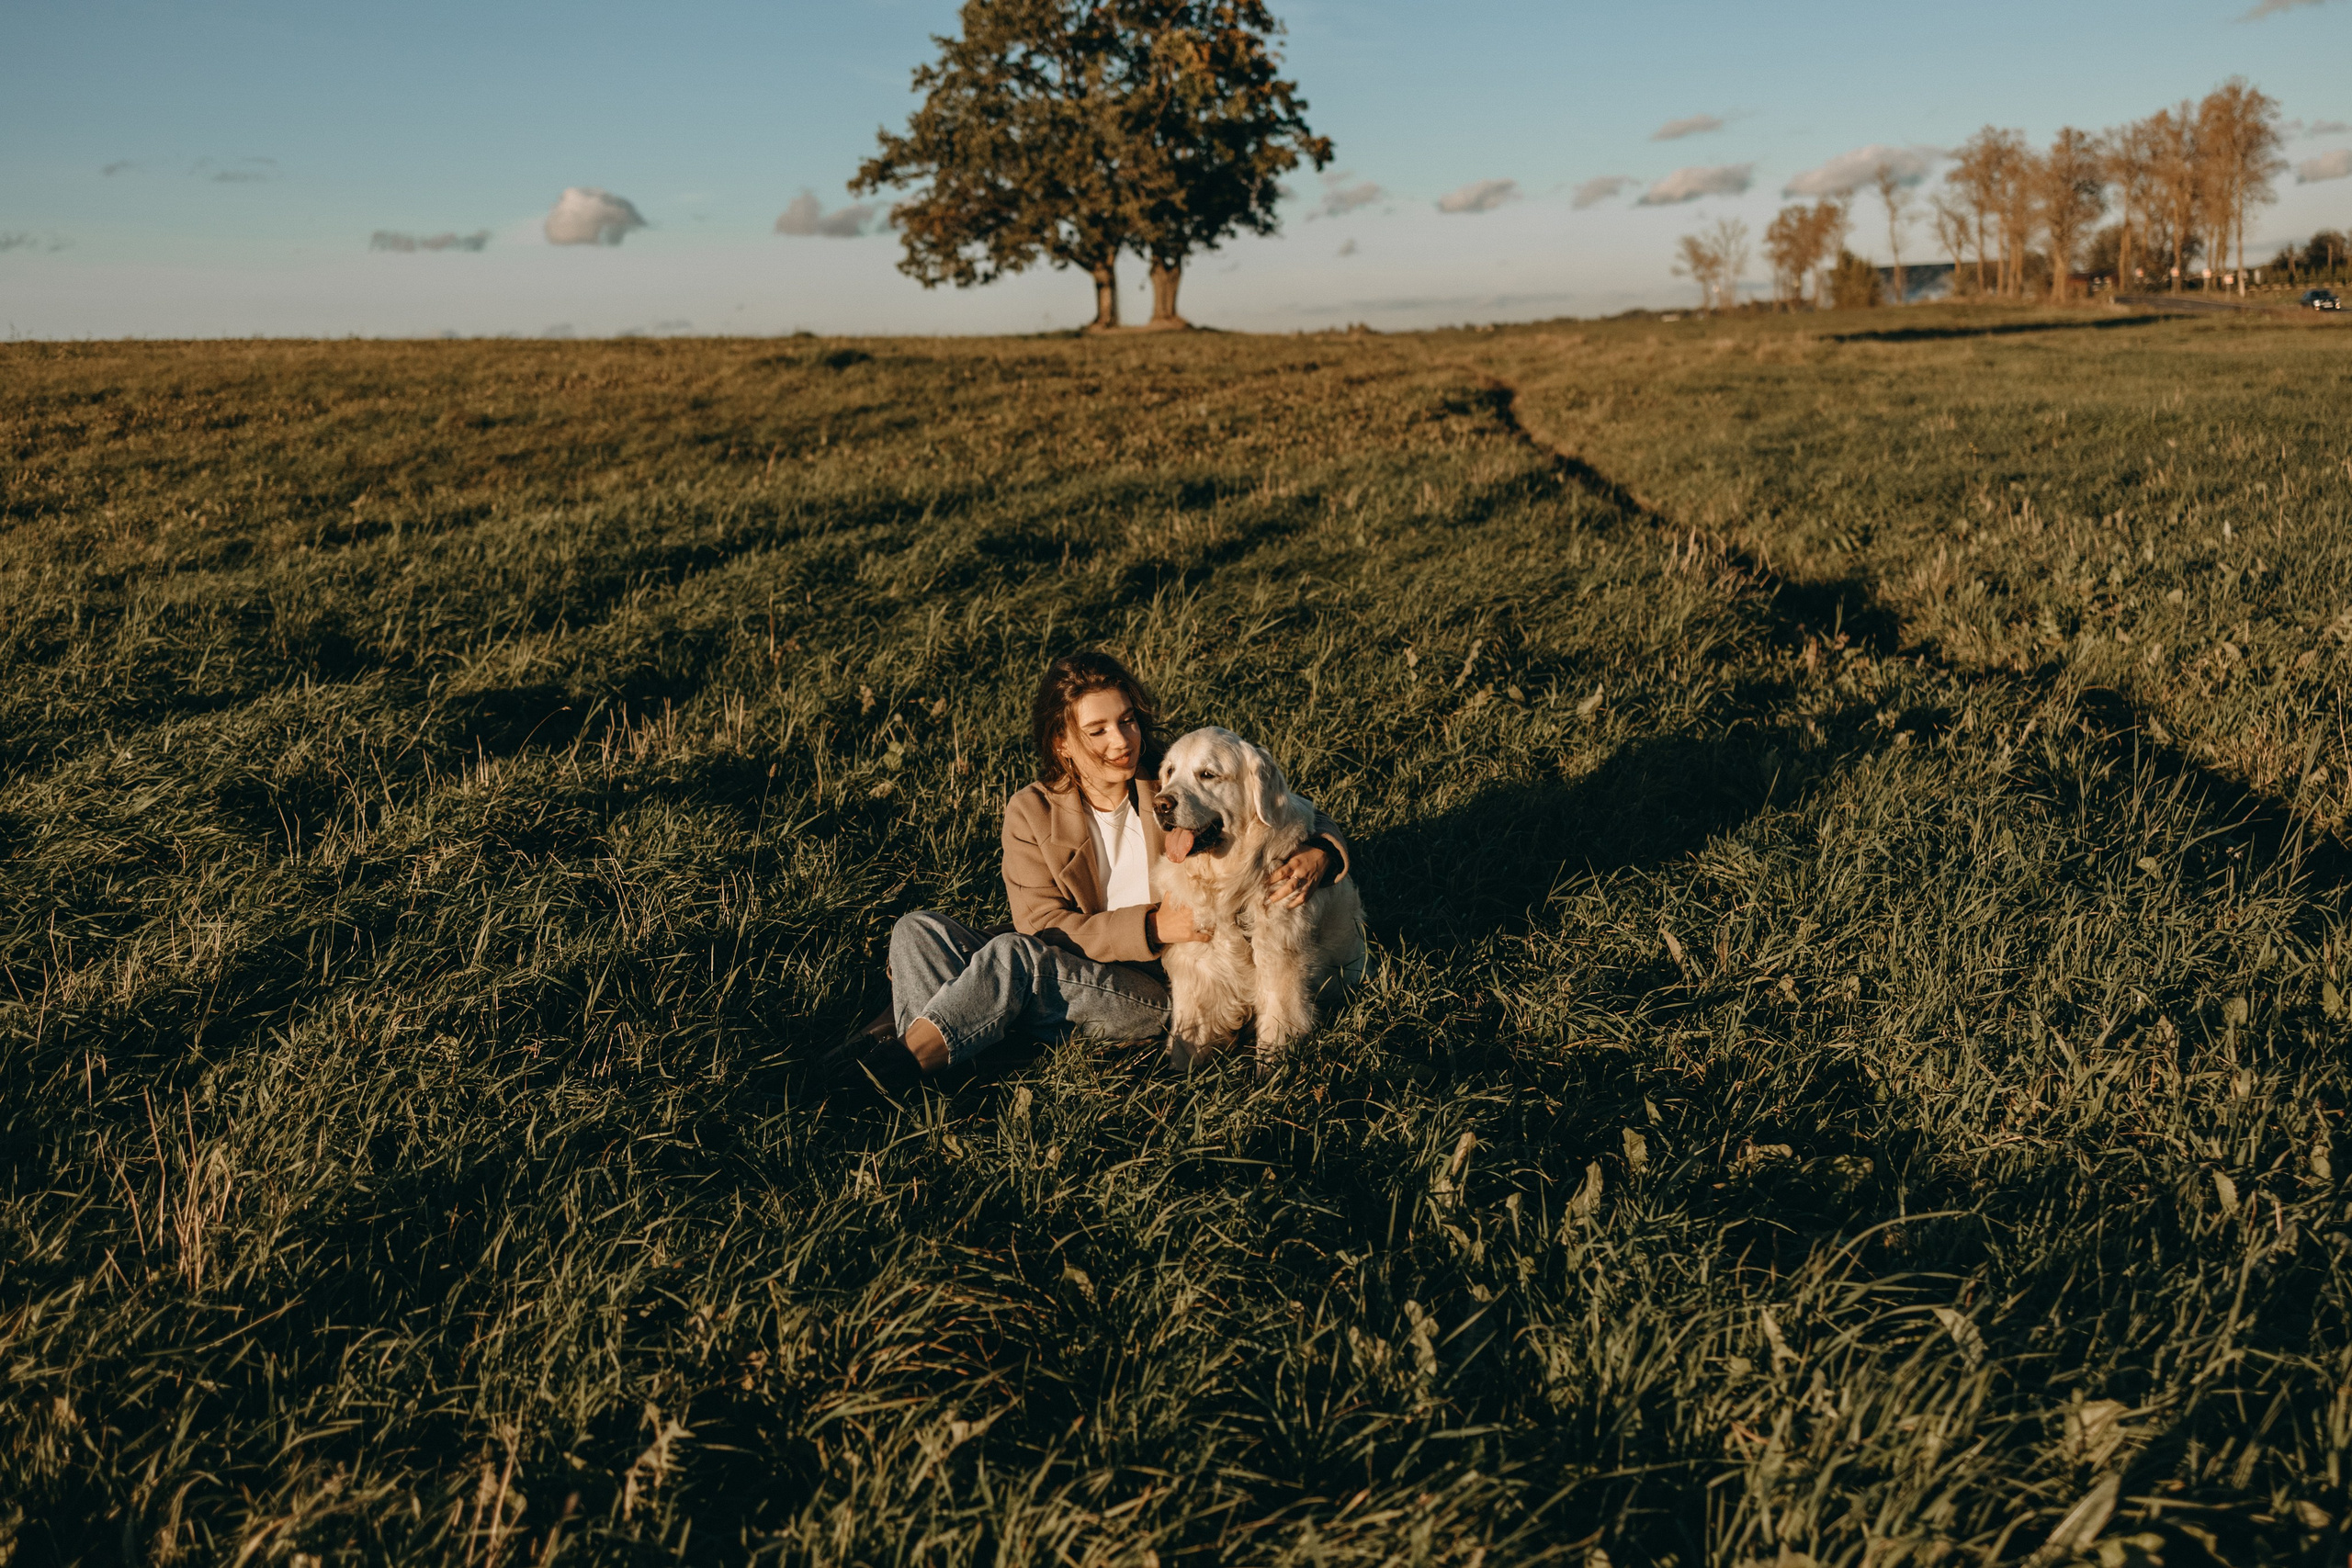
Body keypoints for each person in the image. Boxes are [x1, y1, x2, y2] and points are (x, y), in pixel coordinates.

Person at [828, 650, 1353, 1093]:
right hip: (1062, 963)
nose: (1121, 741)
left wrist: (1324, 851)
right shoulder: (1030, 812)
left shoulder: (1169, 785)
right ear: (1063, 743)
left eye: (1126, 721)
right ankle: (936, 1067)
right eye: (1097, 729)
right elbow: (1039, 924)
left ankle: (895, 1068)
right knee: (915, 930)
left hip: (1145, 992)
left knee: (1012, 958)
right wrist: (1150, 925)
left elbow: (1280, 808)